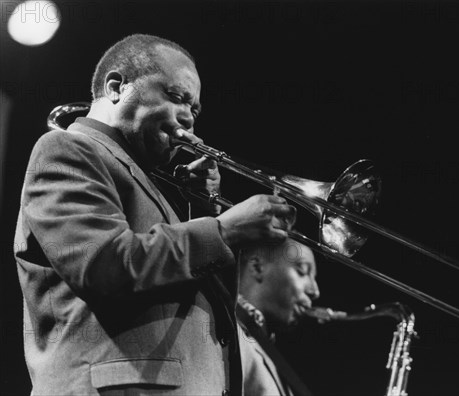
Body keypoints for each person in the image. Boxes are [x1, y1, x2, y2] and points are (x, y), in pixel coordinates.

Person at [13, 33, 296, 396]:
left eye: (194, 111)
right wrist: (222, 231)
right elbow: (103, 265)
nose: (188, 120)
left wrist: (203, 210)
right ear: (117, 86)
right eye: (177, 97)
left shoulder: (149, 184)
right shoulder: (67, 148)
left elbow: (196, 306)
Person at [236, 238, 320, 396]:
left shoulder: (265, 346)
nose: (315, 291)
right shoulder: (224, 330)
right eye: (302, 271)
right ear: (257, 267)